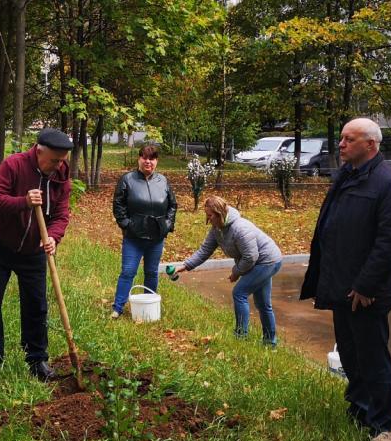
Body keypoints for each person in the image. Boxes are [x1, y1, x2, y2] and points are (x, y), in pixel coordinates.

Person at [300, 117, 391, 436]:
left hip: (366, 292)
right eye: (342, 138)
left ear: (370, 145)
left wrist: (366, 284)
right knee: (350, 353)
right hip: (341, 285)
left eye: (349, 139)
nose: (341, 144)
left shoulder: (388, 184)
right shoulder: (347, 175)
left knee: (373, 358)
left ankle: (380, 426)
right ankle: (359, 408)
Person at [0, 128, 72, 381]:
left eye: (62, 160)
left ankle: (37, 359)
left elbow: (62, 214)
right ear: (38, 151)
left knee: (36, 305)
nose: (58, 165)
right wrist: (24, 202)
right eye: (53, 160)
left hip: (33, 252)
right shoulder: (15, 165)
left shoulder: (61, 176)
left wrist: (53, 236)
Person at [168, 195, 282, 344]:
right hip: (256, 262)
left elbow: (251, 257)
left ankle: (241, 337)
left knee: (240, 293)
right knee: (262, 303)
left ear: (219, 213)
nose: (208, 219)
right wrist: (185, 266)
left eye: (210, 215)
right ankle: (270, 342)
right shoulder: (218, 229)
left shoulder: (240, 229)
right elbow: (205, 250)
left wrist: (236, 272)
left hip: (267, 261)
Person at [111, 143, 177, 318]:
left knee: (151, 272)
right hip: (134, 238)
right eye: (145, 158)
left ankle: (149, 305)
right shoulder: (127, 179)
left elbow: (173, 205)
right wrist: (126, 224)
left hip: (156, 238)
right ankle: (117, 307)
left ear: (157, 161)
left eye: (152, 158)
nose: (148, 162)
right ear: (139, 159)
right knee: (128, 272)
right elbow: (118, 205)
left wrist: (168, 224)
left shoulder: (163, 181)